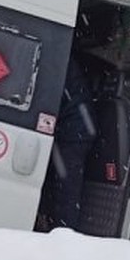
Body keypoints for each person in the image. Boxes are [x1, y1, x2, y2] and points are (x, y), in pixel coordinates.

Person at [41, 56, 97, 230]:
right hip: (75, 124)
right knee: (63, 182)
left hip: (75, 129)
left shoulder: (57, 57)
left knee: (66, 186)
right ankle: (55, 224)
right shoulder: (61, 58)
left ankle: (62, 232)